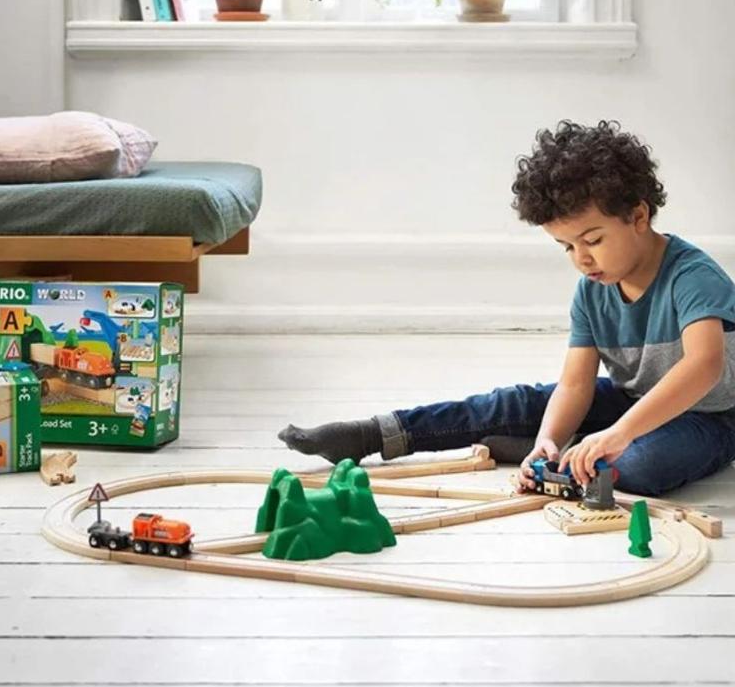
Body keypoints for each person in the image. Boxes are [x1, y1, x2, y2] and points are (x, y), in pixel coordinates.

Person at [278, 120, 735, 497]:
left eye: (593, 240)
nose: (581, 259)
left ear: (638, 216)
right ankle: (373, 434)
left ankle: (577, 453)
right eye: (567, 246)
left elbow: (704, 366)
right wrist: (547, 440)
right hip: (632, 401)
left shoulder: (691, 276)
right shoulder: (591, 290)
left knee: (641, 466)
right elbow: (575, 384)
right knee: (513, 403)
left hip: (713, 417)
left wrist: (620, 433)